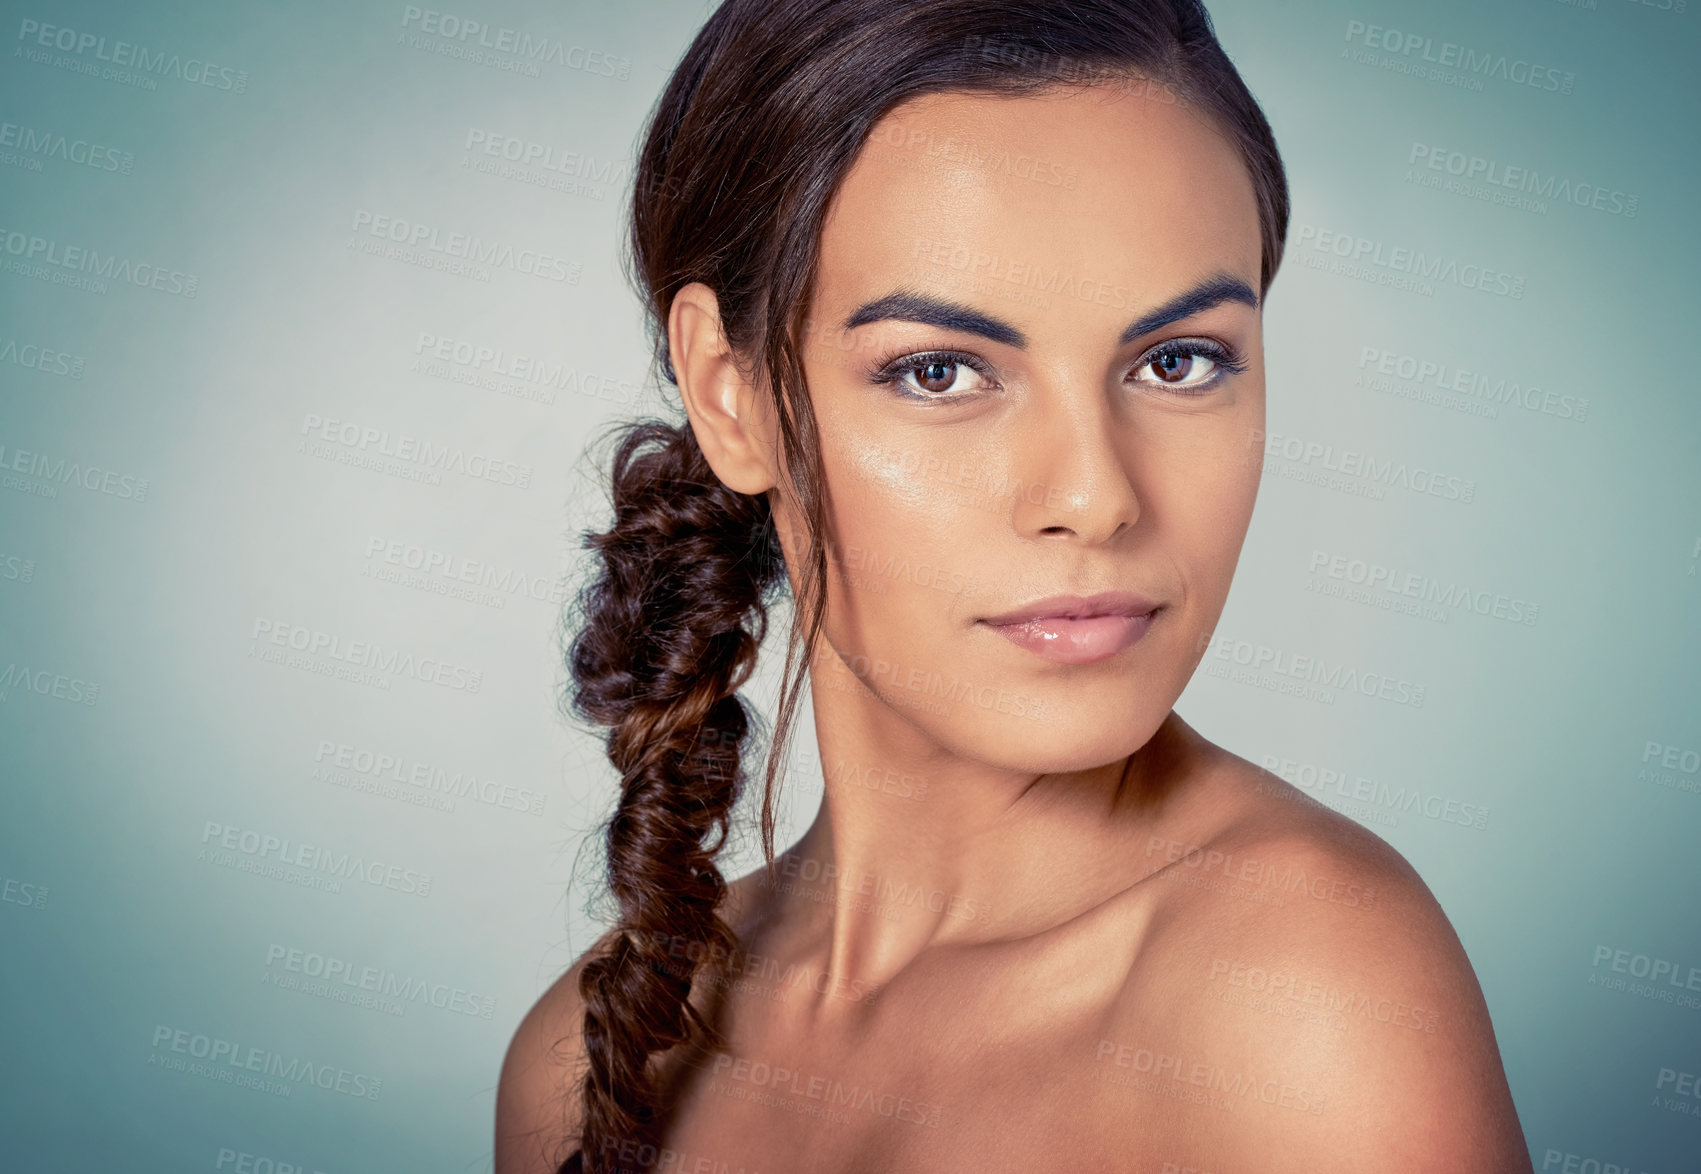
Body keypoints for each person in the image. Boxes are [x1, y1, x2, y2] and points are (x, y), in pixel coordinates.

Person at [496, 1, 1534, 1170]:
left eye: (1177, 361)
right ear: (733, 394)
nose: (1096, 496)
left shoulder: (1307, 991)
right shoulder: (579, 1065)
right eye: (941, 372)